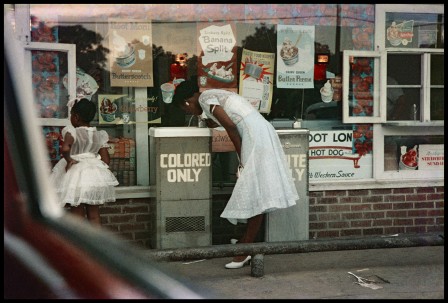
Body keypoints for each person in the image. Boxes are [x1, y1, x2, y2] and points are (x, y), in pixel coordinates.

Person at [172, 80, 299, 269]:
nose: (188, 113)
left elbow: (231, 126)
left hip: (254, 136)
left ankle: (244, 249)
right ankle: (244, 244)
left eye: (185, 110)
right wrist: (210, 121)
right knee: (258, 191)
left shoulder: (206, 98)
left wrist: (241, 158)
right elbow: (233, 117)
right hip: (259, 132)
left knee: (255, 190)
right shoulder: (211, 95)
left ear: (187, 102)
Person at [50, 98, 119, 226]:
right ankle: (96, 241)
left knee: (77, 214)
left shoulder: (72, 132)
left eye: (71, 115)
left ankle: (79, 243)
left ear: (76, 117)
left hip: (75, 177)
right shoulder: (100, 135)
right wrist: (95, 166)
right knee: (94, 215)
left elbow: (65, 148)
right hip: (93, 178)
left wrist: (69, 160)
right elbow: (106, 160)